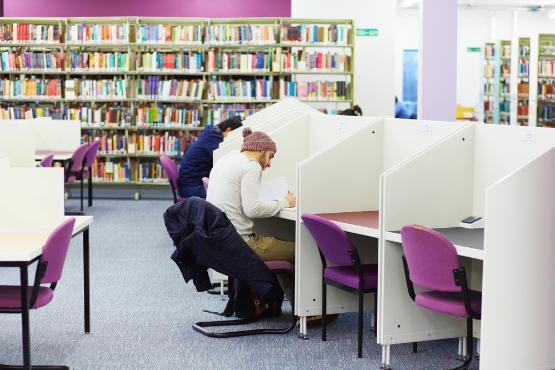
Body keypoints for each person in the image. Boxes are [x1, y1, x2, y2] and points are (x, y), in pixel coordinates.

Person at [206, 128, 296, 303]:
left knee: (278, 242)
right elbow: (252, 210)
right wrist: (286, 201)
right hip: (242, 244)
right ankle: (306, 311)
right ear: (262, 150)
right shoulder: (251, 166)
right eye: (271, 156)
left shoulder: (227, 160)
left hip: (219, 241)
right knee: (301, 251)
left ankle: (288, 302)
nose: (269, 164)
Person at [177, 116, 243, 199]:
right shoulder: (215, 140)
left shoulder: (211, 134)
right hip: (192, 188)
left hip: (190, 184)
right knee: (230, 194)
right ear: (228, 130)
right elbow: (225, 162)